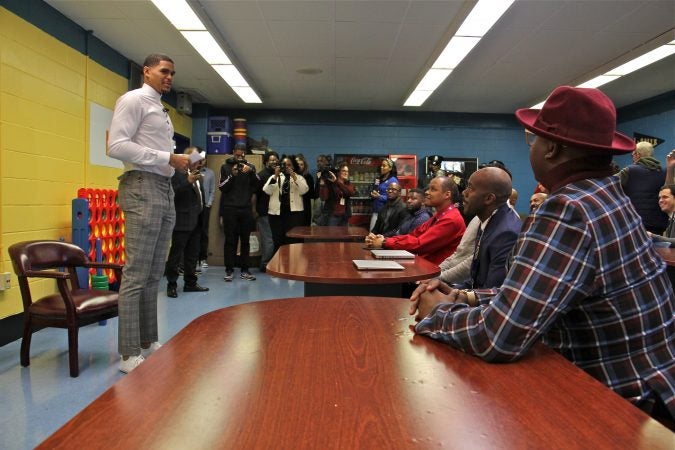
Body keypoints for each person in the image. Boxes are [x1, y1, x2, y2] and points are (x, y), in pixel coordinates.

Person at [410, 86, 675, 423]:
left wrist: (437, 314)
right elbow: (542, 292)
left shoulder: (566, 209)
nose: (532, 147)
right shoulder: (608, 197)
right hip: (654, 395)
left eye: (533, 140)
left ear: (551, 149)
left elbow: (499, 337)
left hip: (619, 410)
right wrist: (468, 297)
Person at [108, 53, 191, 373]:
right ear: (146, 72)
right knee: (136, 274)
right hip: (141, 185)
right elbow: (116, 146)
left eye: (172, 73)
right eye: (163, 71)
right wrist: (167, 157)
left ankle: (148, 341)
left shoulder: (159, 107)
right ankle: (129, 353)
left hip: (163, 188)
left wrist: (173, 162)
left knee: (154, 273)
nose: (169, 77)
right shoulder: (134, 100)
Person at [366, 177, 465, 265]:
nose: (426, 192)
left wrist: (385, 242)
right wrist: (384, 239)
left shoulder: (451, 219)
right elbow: (414, 234)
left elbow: (420, 244)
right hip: (427, 267)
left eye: (433, 189)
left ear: (447, 194)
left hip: (436, 274)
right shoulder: (439, 216)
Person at [452, 167, 522, 290]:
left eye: (470, 188)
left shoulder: (505, 233)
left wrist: (454, 295)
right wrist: (448, 290)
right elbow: (476, 280)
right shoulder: (489, 219)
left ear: (489, 199)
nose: (464, 192)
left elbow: (491, 292)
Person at [164, 147, 210, 298]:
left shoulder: (197, 174)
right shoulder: (177, 173)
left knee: (192, 254)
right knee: (176, 255)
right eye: (194, 158)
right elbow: (171, 193)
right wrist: (188, 182)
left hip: (196, 221)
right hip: (182, 221)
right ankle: (171, 284)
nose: (198, 161)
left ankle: (190, 283)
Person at [219, 143, 258, 282]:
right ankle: (229, 270)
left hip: (246, 209)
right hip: (230, 208)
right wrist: (232, 174)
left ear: (245, 154)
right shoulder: (225, 167)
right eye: (237, 154)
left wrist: (251, 172)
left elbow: (258, 185)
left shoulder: (251, 167)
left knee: (245, 240)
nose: (239, 156)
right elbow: (222, 187)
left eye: (242, 154)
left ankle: (245, 270)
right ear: (233, 152)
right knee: (230, 240)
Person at [618, 141, 668, 234]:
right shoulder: (665, 172)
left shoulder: (629, 171)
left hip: (635, 225)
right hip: (659, 225)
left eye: (632, 155)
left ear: (637, 155)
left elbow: (609, 186)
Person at [263, 155, 309, 249]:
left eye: (289, 165)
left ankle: (292, 263)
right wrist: (275, 175)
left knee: (292, 241)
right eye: (284, 165)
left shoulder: (299, 177)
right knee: (278, 241)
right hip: (276, 215)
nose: (287, 167)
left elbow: (304, 190)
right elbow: (267, 190)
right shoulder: (274, 177)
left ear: (293, 166)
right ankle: (278, 263)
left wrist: (294, 176)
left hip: (294, 215)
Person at [256, 150, 279, 272]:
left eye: (276, 160)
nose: (274, 162)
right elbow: (255, 195)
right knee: (268, 241)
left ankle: (272, 264)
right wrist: (256, 211)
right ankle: (264, 265)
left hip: (276, 213)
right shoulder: (261, 175)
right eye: (271, 160)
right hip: (264, 212)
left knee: (274, 239)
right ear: (266, 162)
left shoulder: (280, 175)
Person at [197, 154, 215, 271]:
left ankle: (203, 258)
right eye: (200, 159)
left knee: (204, 232)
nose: (202, 161)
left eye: (203, 159)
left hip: (205, 207)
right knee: (193, 233)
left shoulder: (210, 173)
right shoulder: (191, 171)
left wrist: (208, 204)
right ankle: (193, 260)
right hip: (193, 207)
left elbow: (212, 190)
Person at [370, 159, 399, 230]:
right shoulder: (379, 178)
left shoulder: (393, 180)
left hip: (386, 213)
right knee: (372, 234)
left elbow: (393, 197)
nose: (381, 167)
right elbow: (375, 189)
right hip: (376, 211)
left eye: (384, 166)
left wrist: (379, 196)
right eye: (381, 166)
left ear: (390, 168)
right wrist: (372, 193)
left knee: (379, 235)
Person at [295, 154, 315, 226]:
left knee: (304, 227)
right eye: (298, 164)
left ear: (305, 166)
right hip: (292, 207)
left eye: (301, 164)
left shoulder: (308, 177)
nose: (300, 166)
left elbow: (311, 195)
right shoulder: (288, 176)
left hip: (305, 205)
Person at [312, 154, 331, 225]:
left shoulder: (329, 172)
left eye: (321, 161)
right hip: (318, 199)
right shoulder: (318, 172)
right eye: (318, 161)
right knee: (317, 219)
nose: (319, 163)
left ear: (325, 162)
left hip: (326, 200)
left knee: (326, 219)